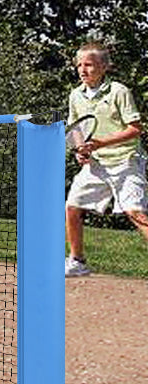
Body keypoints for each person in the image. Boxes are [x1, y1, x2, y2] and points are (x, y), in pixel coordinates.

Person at [65, 41, 148, 277]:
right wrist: (81, 150)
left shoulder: (119, 91)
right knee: (71, 208)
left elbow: (134, 129)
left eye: (89, 64)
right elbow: (78, 128)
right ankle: (78, 261)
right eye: (79, 65)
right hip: (96, 164)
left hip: (126, 160)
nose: (83, 69)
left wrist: (102, 143)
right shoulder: (75, 95)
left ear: (103, 67)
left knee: (135, 213)